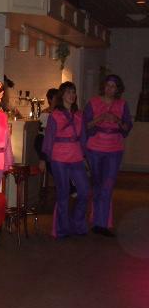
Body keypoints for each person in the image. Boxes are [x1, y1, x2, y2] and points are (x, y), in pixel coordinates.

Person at [83, 74, 133, 237]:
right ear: (103, 86)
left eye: (113, 86)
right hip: (95, 148)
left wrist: (117, 120)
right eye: (108, 85)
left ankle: (102, 224)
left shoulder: (122, 104)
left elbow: (127, 127)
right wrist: (100, 118)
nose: (110, 89)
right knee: (97, 184)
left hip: (114, 149)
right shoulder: (93, 103)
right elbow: (85, 126)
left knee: (108, 185)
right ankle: (96, 220)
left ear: (118, 89)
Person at [42, 81, 89, 238]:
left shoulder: (80, 115)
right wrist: (44, 158)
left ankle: (77, 224)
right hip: (59, 158)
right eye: (68, 92)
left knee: (84, 191)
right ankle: (62, 229)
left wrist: (85, 156)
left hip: (76, 156)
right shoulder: (55, 115)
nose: (72, 95)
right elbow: (48, 138)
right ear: (62, 95)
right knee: (63, 193)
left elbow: (83, 137)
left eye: (73, 92)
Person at [34, 87, 58, 170]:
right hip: (46, 138)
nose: (58, 100)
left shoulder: (60, 113)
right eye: (56, 97)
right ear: (50, 99)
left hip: (56, 138)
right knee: (40, 140)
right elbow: (40, 129)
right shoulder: (45, 113)